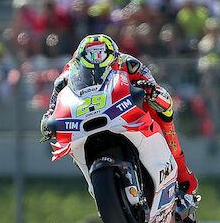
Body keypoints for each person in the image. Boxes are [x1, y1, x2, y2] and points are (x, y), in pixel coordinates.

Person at [40, 34, 199, 204]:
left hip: (124, 113)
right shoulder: (65, 77)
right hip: (87, 119)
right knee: (73, 146)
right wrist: (48, 123)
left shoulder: (129, 63)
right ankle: (100, 191)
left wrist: (151, 93)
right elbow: (52, 110)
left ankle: (183, 177)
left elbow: (159, 92)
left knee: (163, 113)